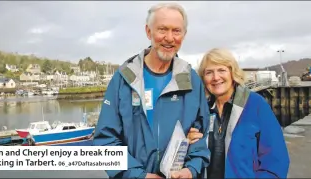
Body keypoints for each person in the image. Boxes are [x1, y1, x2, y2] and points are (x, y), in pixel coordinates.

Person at [93, 3, 210, 179]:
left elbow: (200, 135)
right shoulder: (123, 79)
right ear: (149, 32)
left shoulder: (191, 79)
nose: (169, 38)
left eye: (176, 31)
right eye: (162, 29)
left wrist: (191, 169)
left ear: (184, 35)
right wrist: (138, 175)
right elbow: (105, 141)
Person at [187, 48, 290, 178]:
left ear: (232, 73)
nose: (215, 77)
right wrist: (186, 142)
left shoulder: (256, 104)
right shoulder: (201, 110)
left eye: (221, 70)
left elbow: (276, 160)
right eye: (209, 72)